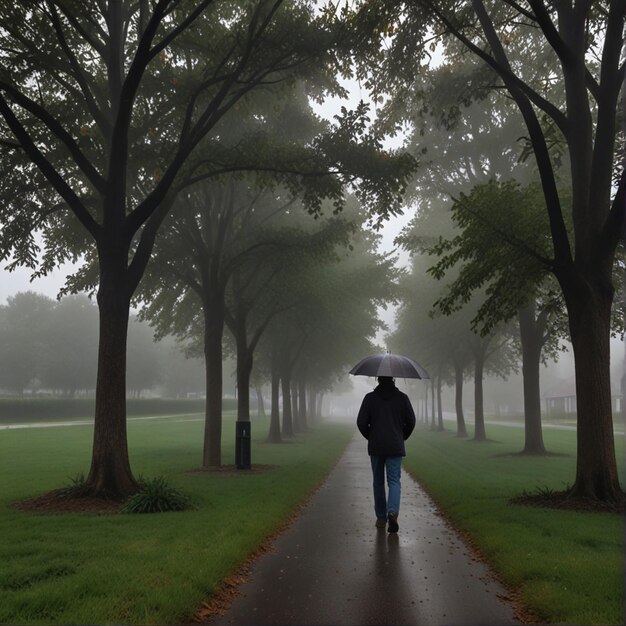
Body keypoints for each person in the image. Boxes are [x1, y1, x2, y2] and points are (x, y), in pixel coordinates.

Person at [356, 376, 416, 533]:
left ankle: (381, 518)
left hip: (376, 446)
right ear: (393, 379)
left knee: (378, 481)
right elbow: (411, 421)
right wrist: (401, 436)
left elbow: (361, 422)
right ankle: (392, 512)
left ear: (378, 379)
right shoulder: (402, 398)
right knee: (394, 481)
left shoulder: (370, 398)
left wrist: (371, 435)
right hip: (395, 445)